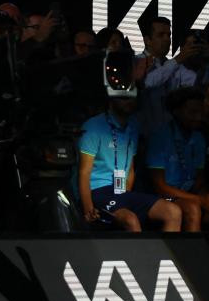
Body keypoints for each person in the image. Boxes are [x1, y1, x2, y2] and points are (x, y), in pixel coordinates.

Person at [73, 72, 182, 233]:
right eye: (123, 97)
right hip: (97, 191)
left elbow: (129, 169)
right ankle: (138, 258)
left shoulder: (134, 126)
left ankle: (165, 258)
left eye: (132, 96)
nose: (129, 100)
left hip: (120, 191)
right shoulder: (93, 126)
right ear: (111, 99)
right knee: (130, 220)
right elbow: (84, 172)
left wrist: (125, 197)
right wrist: (88, 208)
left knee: (173, 211)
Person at [145, 87, 209, 232]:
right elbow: (159, 186)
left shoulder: (198, 137)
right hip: (163, 197)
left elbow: (199, 179)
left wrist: (207, 196)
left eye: (200, 112)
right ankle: (191, 254)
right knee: (192, 209)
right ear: (176, 112)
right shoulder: (160, 137)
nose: (198, 117)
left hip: (189, 195)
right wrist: (199, 200)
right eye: (192, 112)